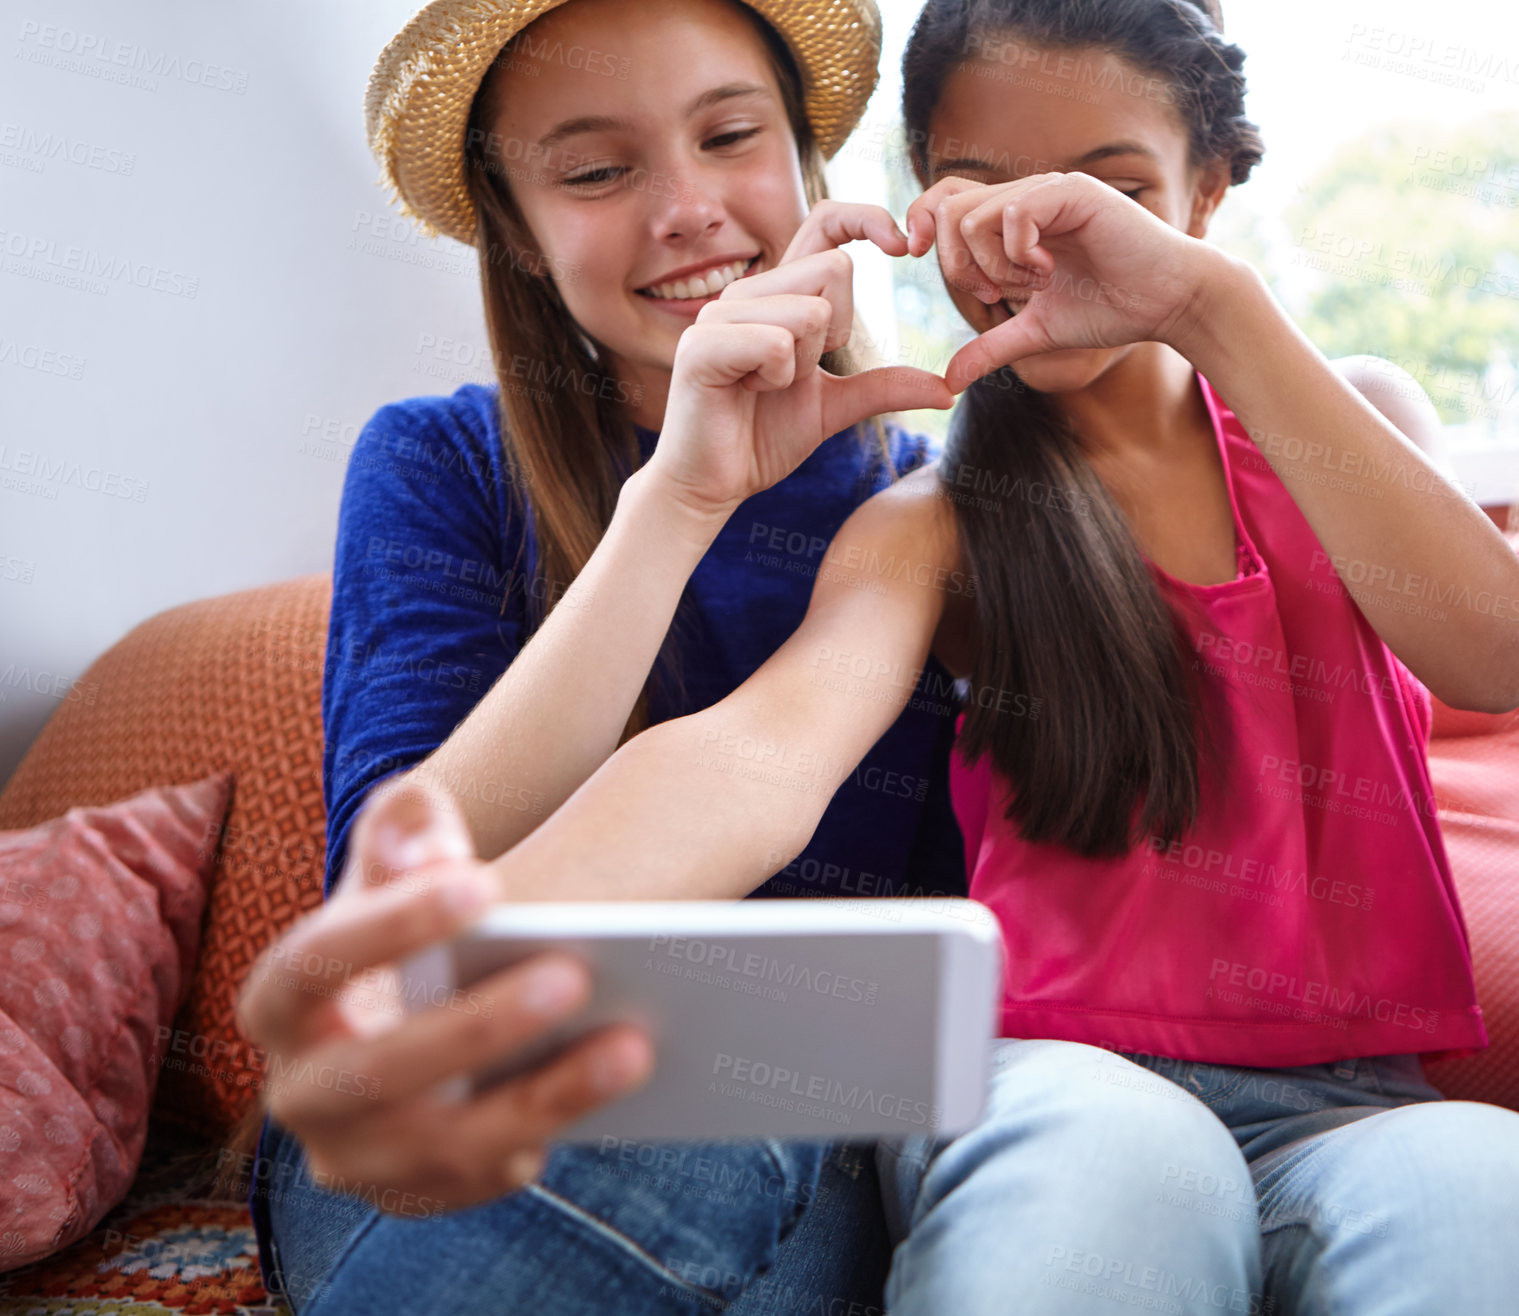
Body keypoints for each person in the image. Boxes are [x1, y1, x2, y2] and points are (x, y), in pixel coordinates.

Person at [286, 0, 1519, 1310]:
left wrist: (1214, 303)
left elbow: (1487, 656)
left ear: (1210, 187)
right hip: (1024, 1076)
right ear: (923, 206)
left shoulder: (1332, 427)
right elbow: (752, 758)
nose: (1054, 241)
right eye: (988, 197)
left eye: (1111, 193)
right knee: (1115, 1163)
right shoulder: (929, 516)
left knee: (1478, 1191)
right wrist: (440, 976)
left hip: (1324, 1099)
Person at [235, 0, 970, 1311]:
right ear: (515, 232)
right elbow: (396, 915)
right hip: (452, 1077)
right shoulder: (441, 462)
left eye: (729, 136)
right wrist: (676, 506)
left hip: (808, 1105)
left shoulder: (926, 507)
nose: (686, 208)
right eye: (595, 171)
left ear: (805, 164)